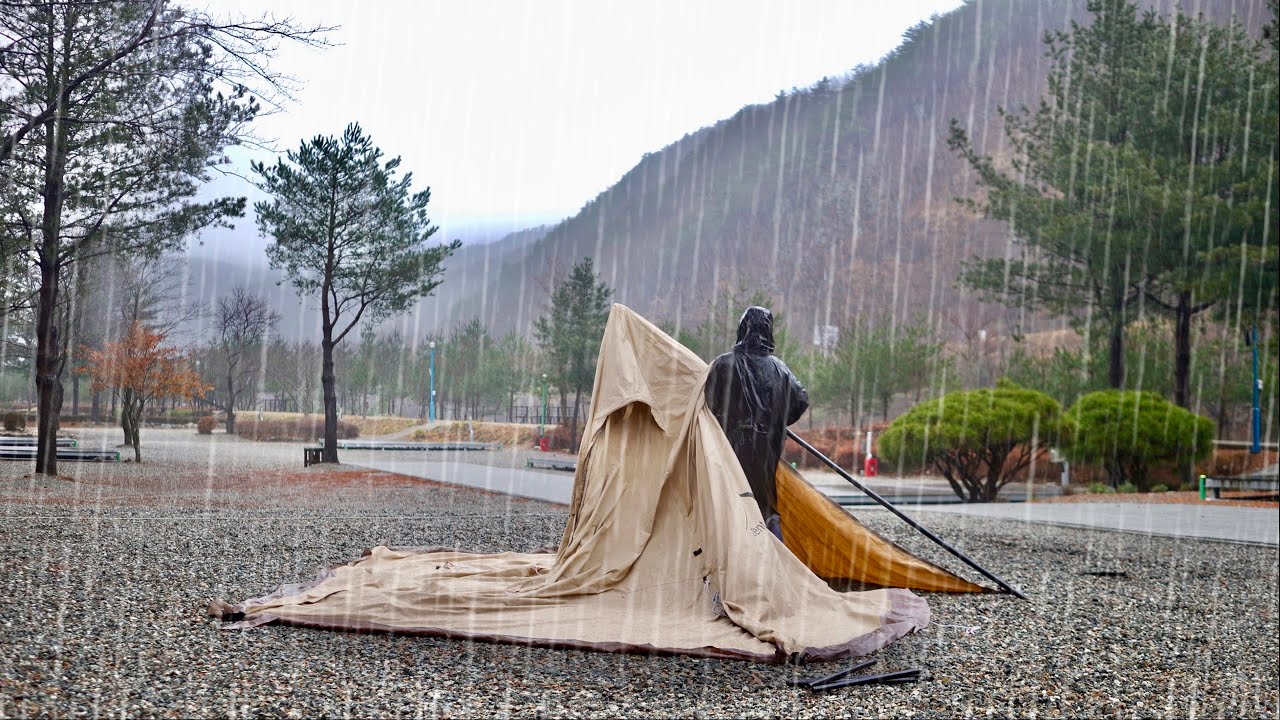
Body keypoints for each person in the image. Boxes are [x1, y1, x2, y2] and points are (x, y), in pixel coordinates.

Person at [704, 306, 809, 543]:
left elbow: (707, 405)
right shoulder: (780, 368)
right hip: (767, 447)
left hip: (731, 444)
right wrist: (776, 422)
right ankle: (771, 551)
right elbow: (801, 399)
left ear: (742, 329)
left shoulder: (723, 365)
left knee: (731, 500)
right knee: (764, 502)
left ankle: (739, 552)